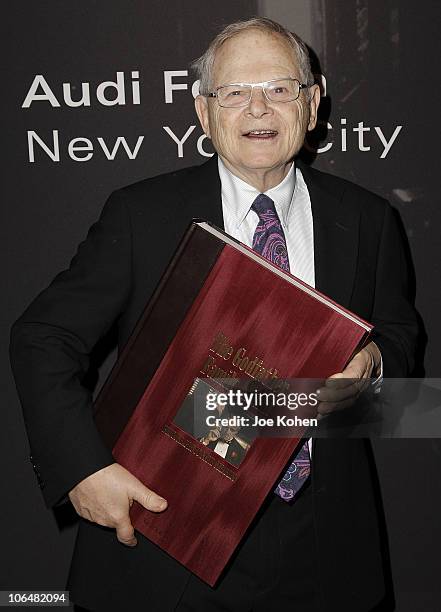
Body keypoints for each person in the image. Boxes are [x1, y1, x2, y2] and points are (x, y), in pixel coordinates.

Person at [10, 17, 417, 612]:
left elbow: (401, 334)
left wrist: (376, 362)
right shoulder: (139, 215)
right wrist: (82, 469)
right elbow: (42, 338)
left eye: (280, 89)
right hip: (166, 538)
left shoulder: (368, 218)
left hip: (326, 549)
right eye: (234, 92)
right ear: (203, 113)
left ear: (311, 106)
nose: (260, 108)